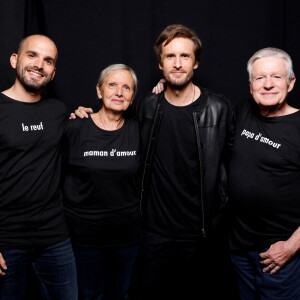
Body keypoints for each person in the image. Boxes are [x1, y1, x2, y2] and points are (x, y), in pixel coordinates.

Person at [73, 24, 236, 300]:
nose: (177, 63)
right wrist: (79, 116)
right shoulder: (147, 106)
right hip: (152, 234)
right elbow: (112, 119)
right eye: (170, 56)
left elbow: (235, 168)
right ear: (160, 64)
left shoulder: (219, 109)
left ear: (196, 62)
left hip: (201, 235)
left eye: (185, 56)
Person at [0, 35, 78, 299]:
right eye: (32, 55)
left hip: (54, 238)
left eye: (48, 61)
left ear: (53, 72)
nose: (39, 65)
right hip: (6, 241)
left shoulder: (57, 110)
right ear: (14, 60)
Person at [62, 64, 142, 300]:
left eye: (126, 87)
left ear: (132, 96)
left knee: (122, 294)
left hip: (127, 239)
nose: (119, 92)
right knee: (89, 295)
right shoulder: (75, 127)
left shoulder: (140, 129)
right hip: (83, 239)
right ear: (99, 91)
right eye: (112, 85)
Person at [228, 47, 300, 300]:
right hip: (239, 248)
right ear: (250, 85)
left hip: (280, 256)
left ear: (290, 83)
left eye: (276, 77)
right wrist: (166, 87)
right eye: (260, 78)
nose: (268, 85)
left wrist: (292, 246)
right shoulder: (241, 112)